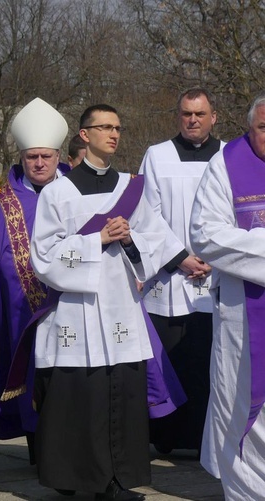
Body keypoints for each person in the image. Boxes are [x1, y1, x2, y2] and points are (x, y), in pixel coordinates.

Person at [26, 104, 169, 500]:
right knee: (81, 398)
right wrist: (97, 239)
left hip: (121, 303)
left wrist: (128, 238)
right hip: (77, 310)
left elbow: (155, 241)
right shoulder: (58, 192)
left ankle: (117, 479)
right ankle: (77, 478)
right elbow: (44, 256)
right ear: (84, 135)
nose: (114, 134)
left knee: (120, 393)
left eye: (118, 127)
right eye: (105, 127)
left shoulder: (132, 187)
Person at [139, 88, 224, 455]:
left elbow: (236, 212)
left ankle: (207, 440)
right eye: (186, 114)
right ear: (178, 116)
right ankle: (168, 439)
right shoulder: (157, 156)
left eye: (200, 114)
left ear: (213, 117)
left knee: (210, 359)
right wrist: (180, 257)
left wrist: (214, 256)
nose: (192, 120)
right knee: (171, 360)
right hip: (169, 277)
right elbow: (146, 214)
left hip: (218, 274)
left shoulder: (228, 156)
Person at [189, 93, 265, 499]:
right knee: (243, 409)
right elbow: (205, 233)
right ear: (248, 127)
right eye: (264, 128)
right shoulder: (225, 165)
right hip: (243, 314)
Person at [0, 98, 70, 446]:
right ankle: (39, 450)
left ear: (58, 158)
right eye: (31, 157)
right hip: (24, 309)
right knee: (34, 379)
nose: (38, 163)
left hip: (73, 305)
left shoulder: (75, 193)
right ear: (21, 158)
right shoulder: (4, 203)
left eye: (45, 156)